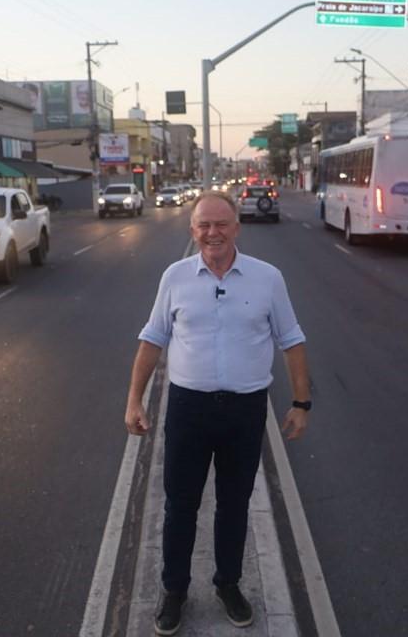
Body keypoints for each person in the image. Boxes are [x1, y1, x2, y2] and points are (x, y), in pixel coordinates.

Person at [125, 190, 311, 635]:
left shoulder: (268, 278)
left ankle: (228, 583)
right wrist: (135, 398)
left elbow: (292, 340)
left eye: (221, 224)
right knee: (180, 506)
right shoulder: (175, 277)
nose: (213, 233)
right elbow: (153, 339)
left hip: (245, 413)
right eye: (203, 225)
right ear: (193, 231)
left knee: (234, 505)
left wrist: (301, 403)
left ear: (236, 227)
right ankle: (174, 590)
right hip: (188, 409)